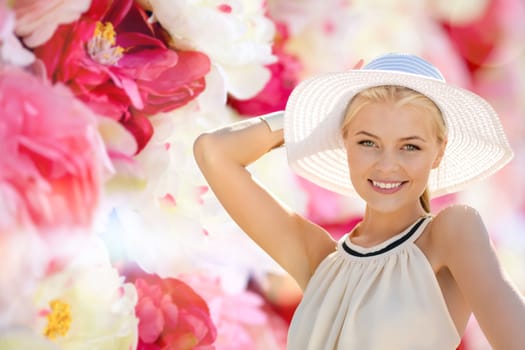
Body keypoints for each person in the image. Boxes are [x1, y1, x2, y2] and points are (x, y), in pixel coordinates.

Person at [193, 53, 525, 349]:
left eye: (410, 146)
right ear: (344, 140)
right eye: (368, 142)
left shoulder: (452, 231)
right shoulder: (321, 261)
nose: (386, 164)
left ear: (438, 152)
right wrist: (317, 118)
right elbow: (214, 152)